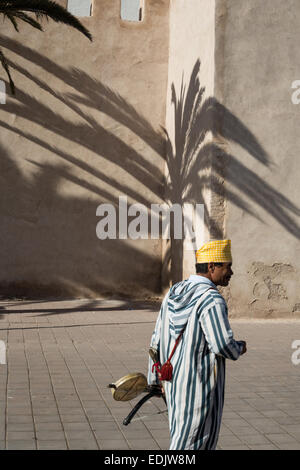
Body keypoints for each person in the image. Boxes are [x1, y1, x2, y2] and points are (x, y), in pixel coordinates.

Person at [147, 239, 247, 450]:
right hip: (199, 389)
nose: (232, 272)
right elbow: (222, 345)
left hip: (173, 385)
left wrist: (155, 380)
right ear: (212, 267)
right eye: (227, 266)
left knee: (182, 438)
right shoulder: (211, 299)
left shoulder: (173, 292)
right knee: (193, 444)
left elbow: (156, 339)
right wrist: (239, 347)